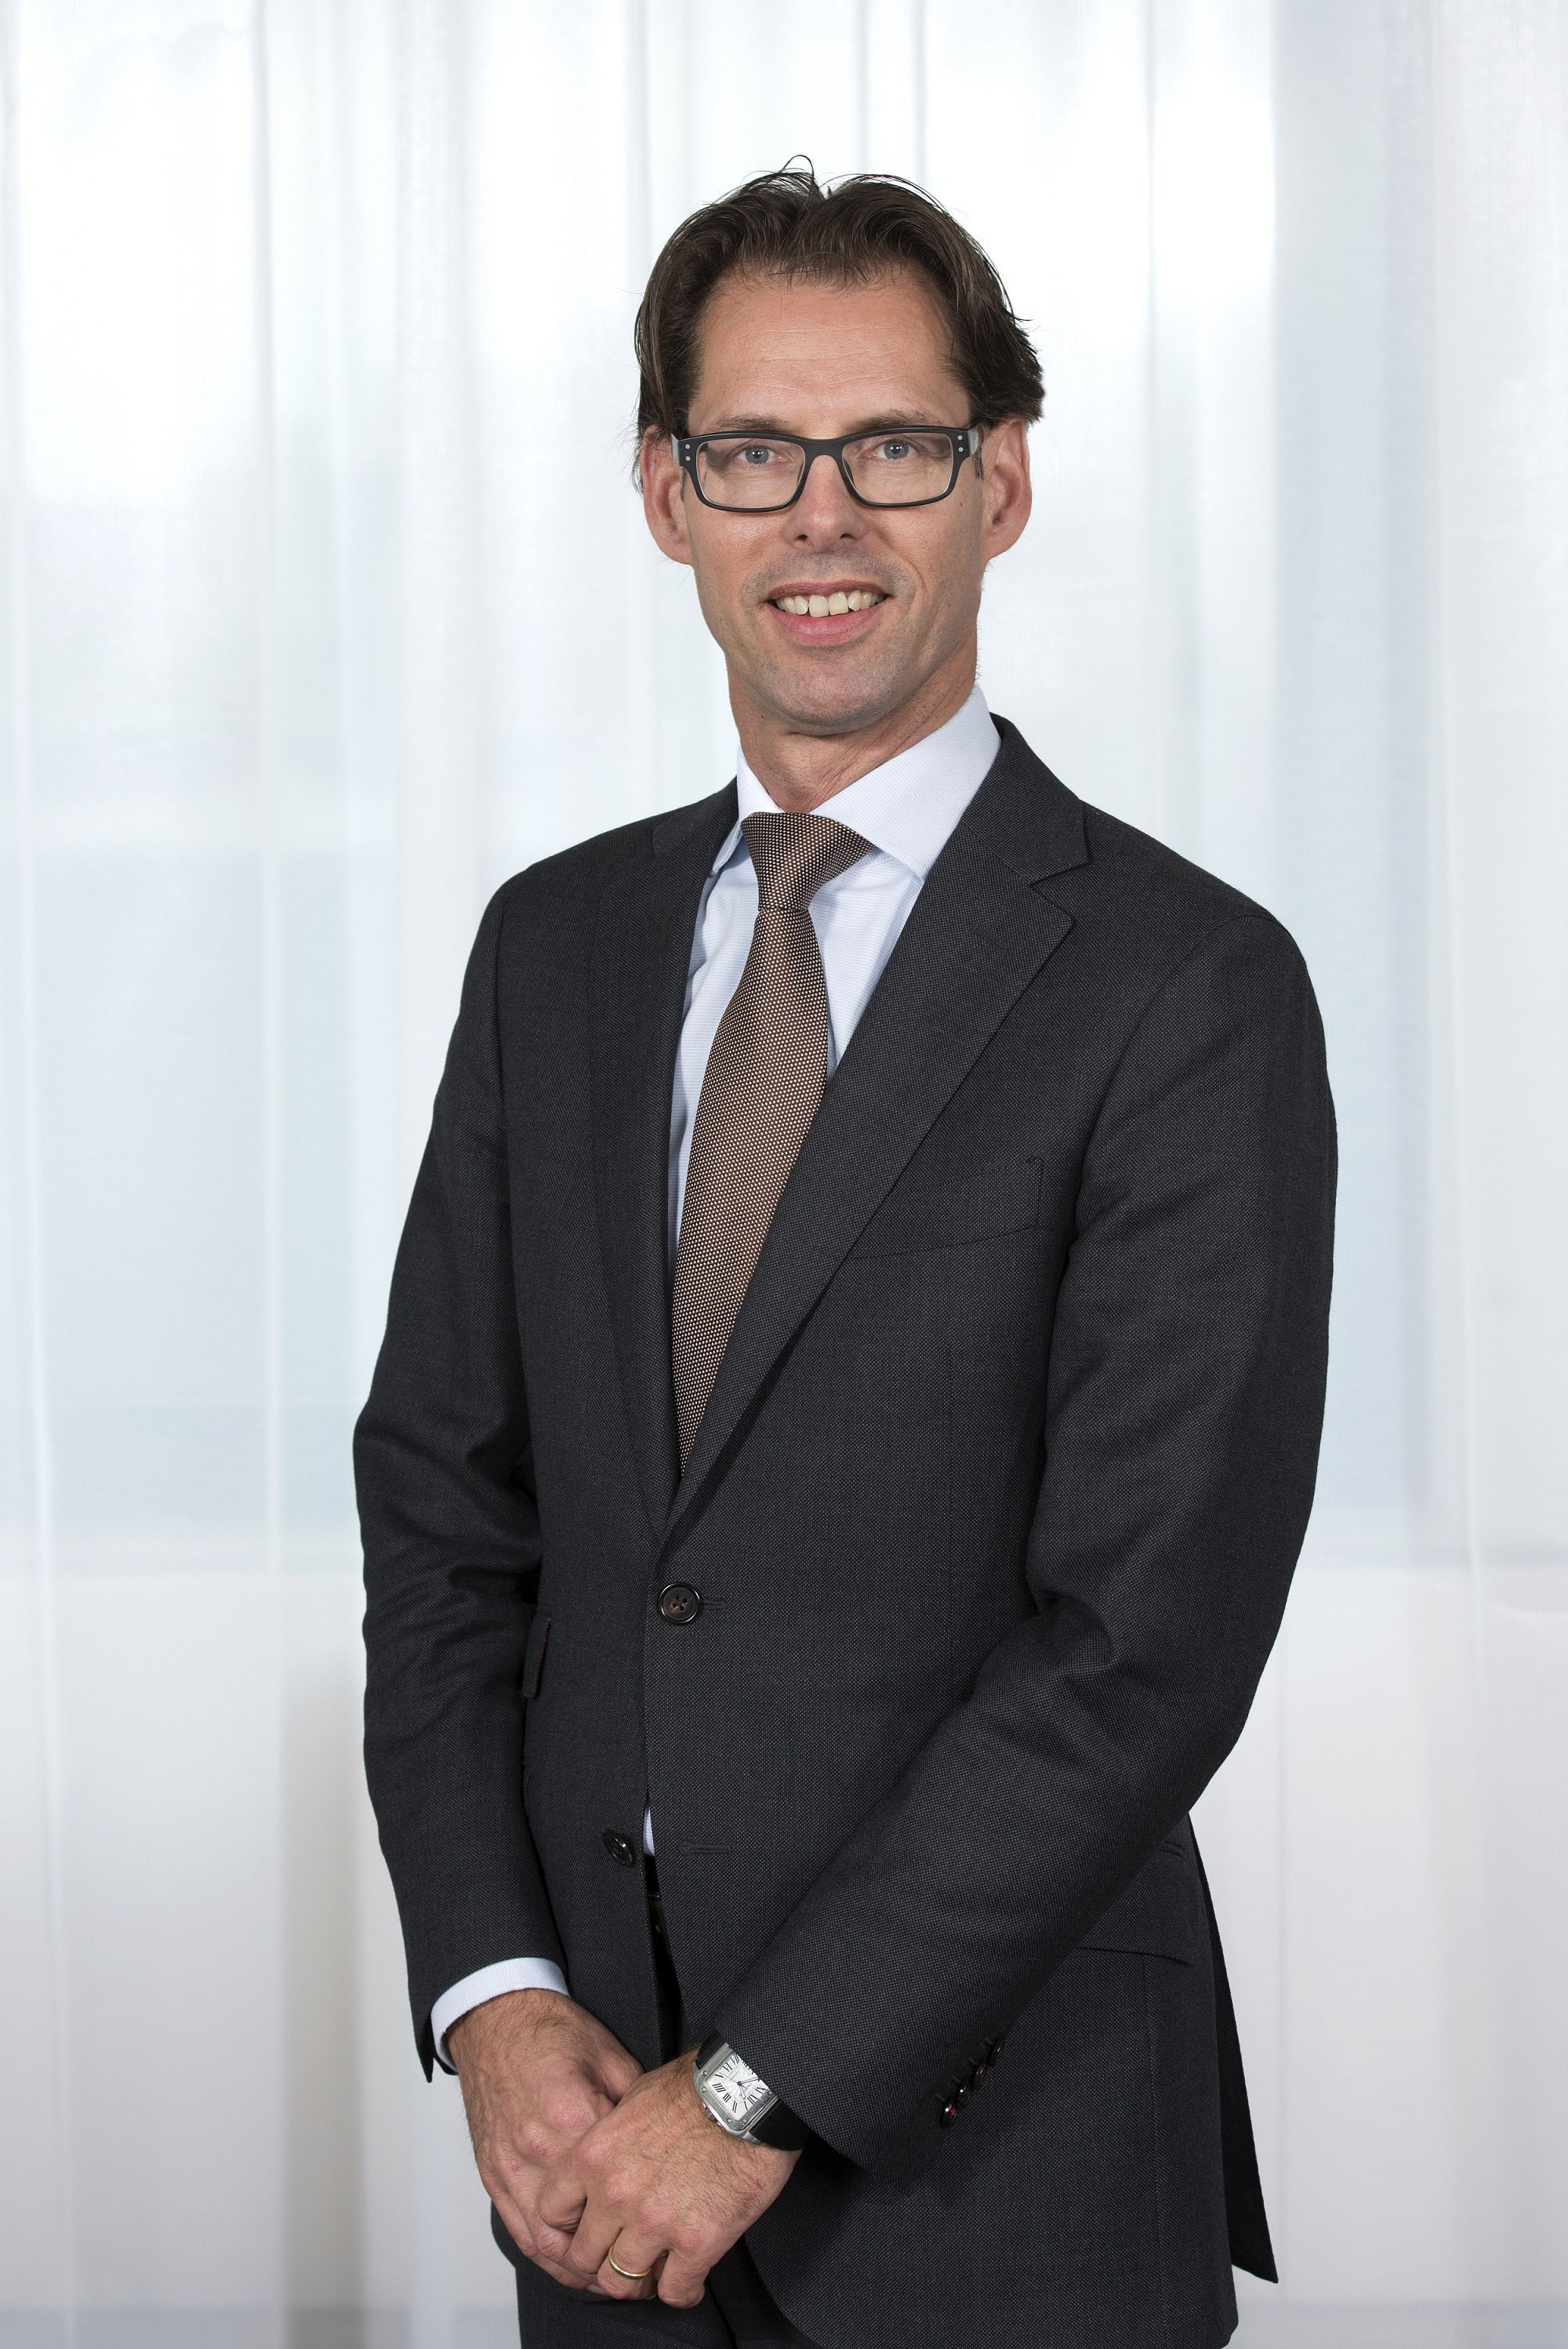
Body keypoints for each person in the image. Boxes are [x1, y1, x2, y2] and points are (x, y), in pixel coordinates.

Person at [356, 165, 1336, 2349]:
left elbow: (1144, 1643)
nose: (824, 515)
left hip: (1004, 2174)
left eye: (894, 446)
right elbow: (444, 1510)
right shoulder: (553, 949)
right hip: (592, 2169)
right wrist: (495, 1993)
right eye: (752, 453)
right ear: (664, 495)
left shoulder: (1187, 985)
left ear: (1001, 482)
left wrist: (756, 2088)